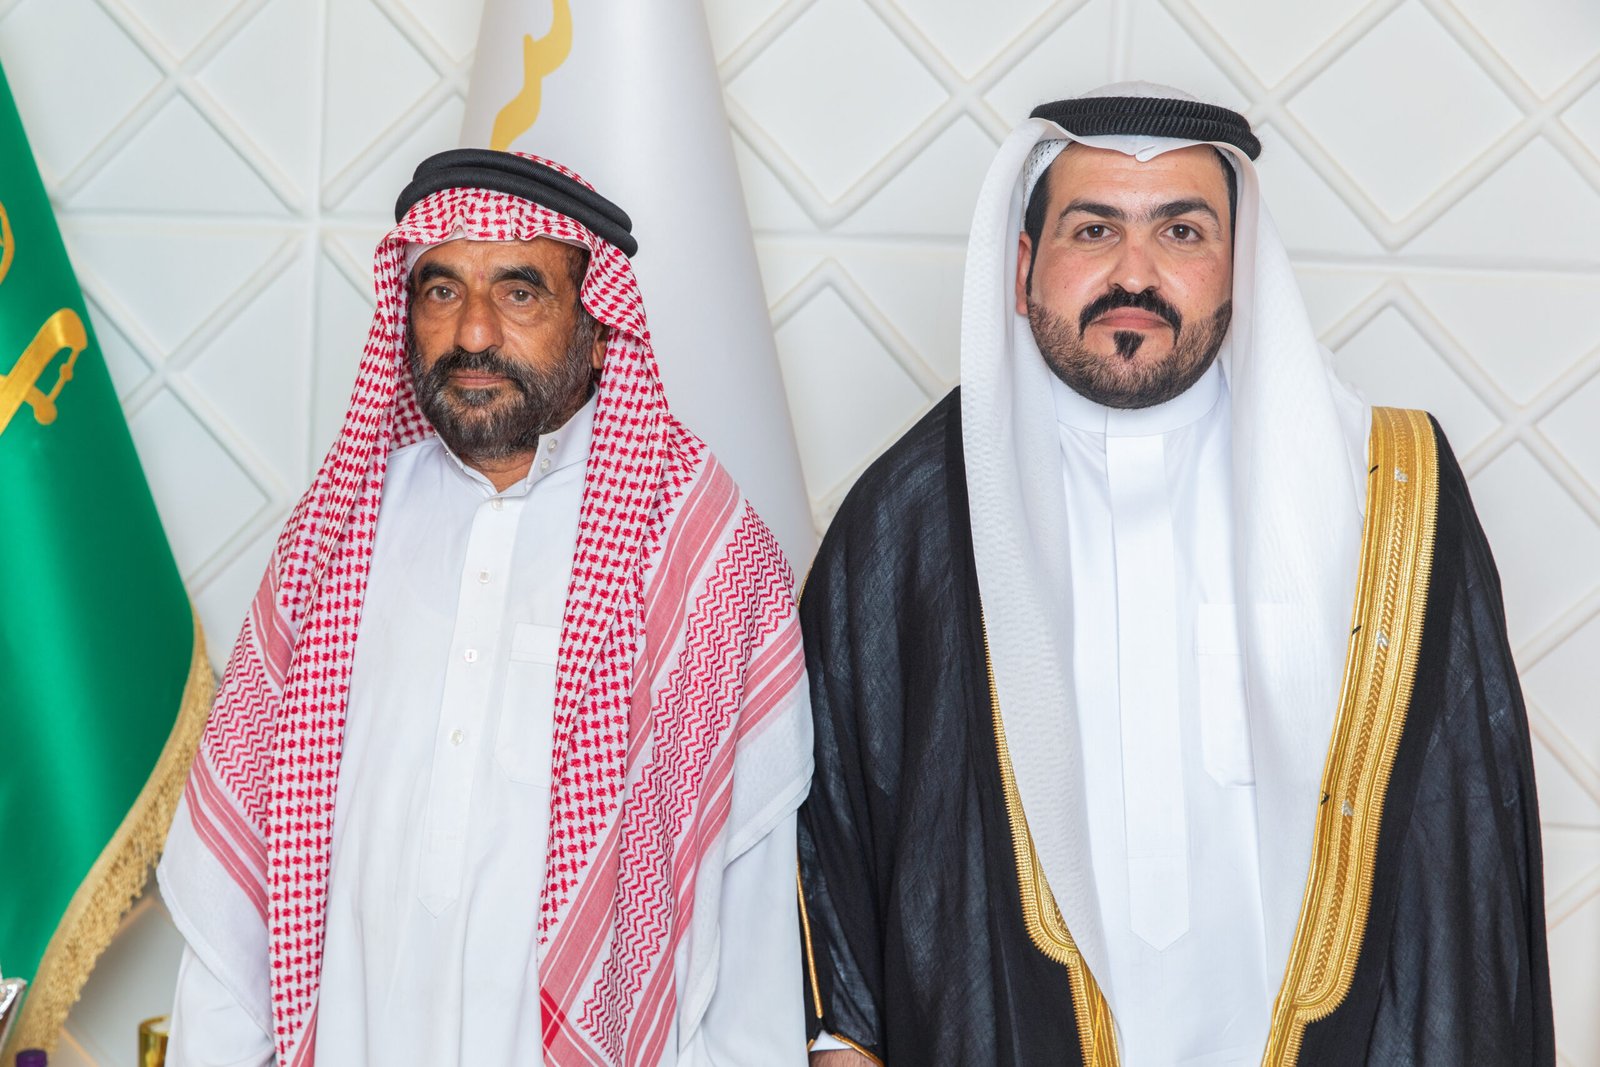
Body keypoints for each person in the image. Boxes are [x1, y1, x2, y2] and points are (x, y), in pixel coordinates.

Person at [797, 84, 1553, 1066]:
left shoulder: (1386, 497)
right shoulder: (911, 519)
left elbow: (1469, 854)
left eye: (1182, 232)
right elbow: (831, 852)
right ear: (1022, 268)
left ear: (1240, 267)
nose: (1134, 272)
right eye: (1093, 229)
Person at [157, 149, 812, 1066]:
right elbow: (236, 899)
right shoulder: (335, 533)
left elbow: (750, 899)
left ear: (597, 321)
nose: (471, 331)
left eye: (519, 292)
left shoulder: (699, 552)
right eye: (440, 291)